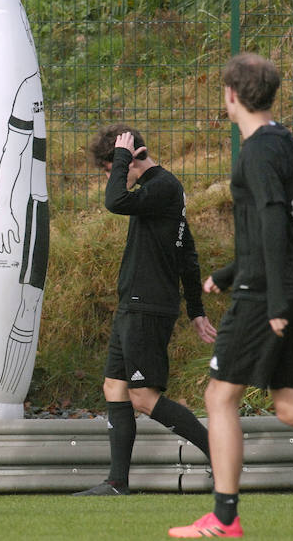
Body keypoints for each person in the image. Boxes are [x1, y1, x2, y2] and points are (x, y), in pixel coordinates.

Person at [169, 54, 293, 537]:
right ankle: (224, 516)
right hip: (281, 284)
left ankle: (224, 518)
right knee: (292, 406)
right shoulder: (284, 142)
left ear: (230, 95)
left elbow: (270, 222)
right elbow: (287, 225)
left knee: (218, 396)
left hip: (266, 295)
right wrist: (226, 274)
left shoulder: (258, 153)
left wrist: (275, 304)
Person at [74, 124, 217, 497]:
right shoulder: (157, 192)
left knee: (142, 396)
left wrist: (121, 159)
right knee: (115, 387)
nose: (114, 177)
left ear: (135, 156)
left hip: (148, 306)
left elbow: (114, 201)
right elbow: (187, 253)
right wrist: (197, 310)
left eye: (114, 168)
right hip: (133, 305)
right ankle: (117, 482)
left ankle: (221, 453)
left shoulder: (163, 187)